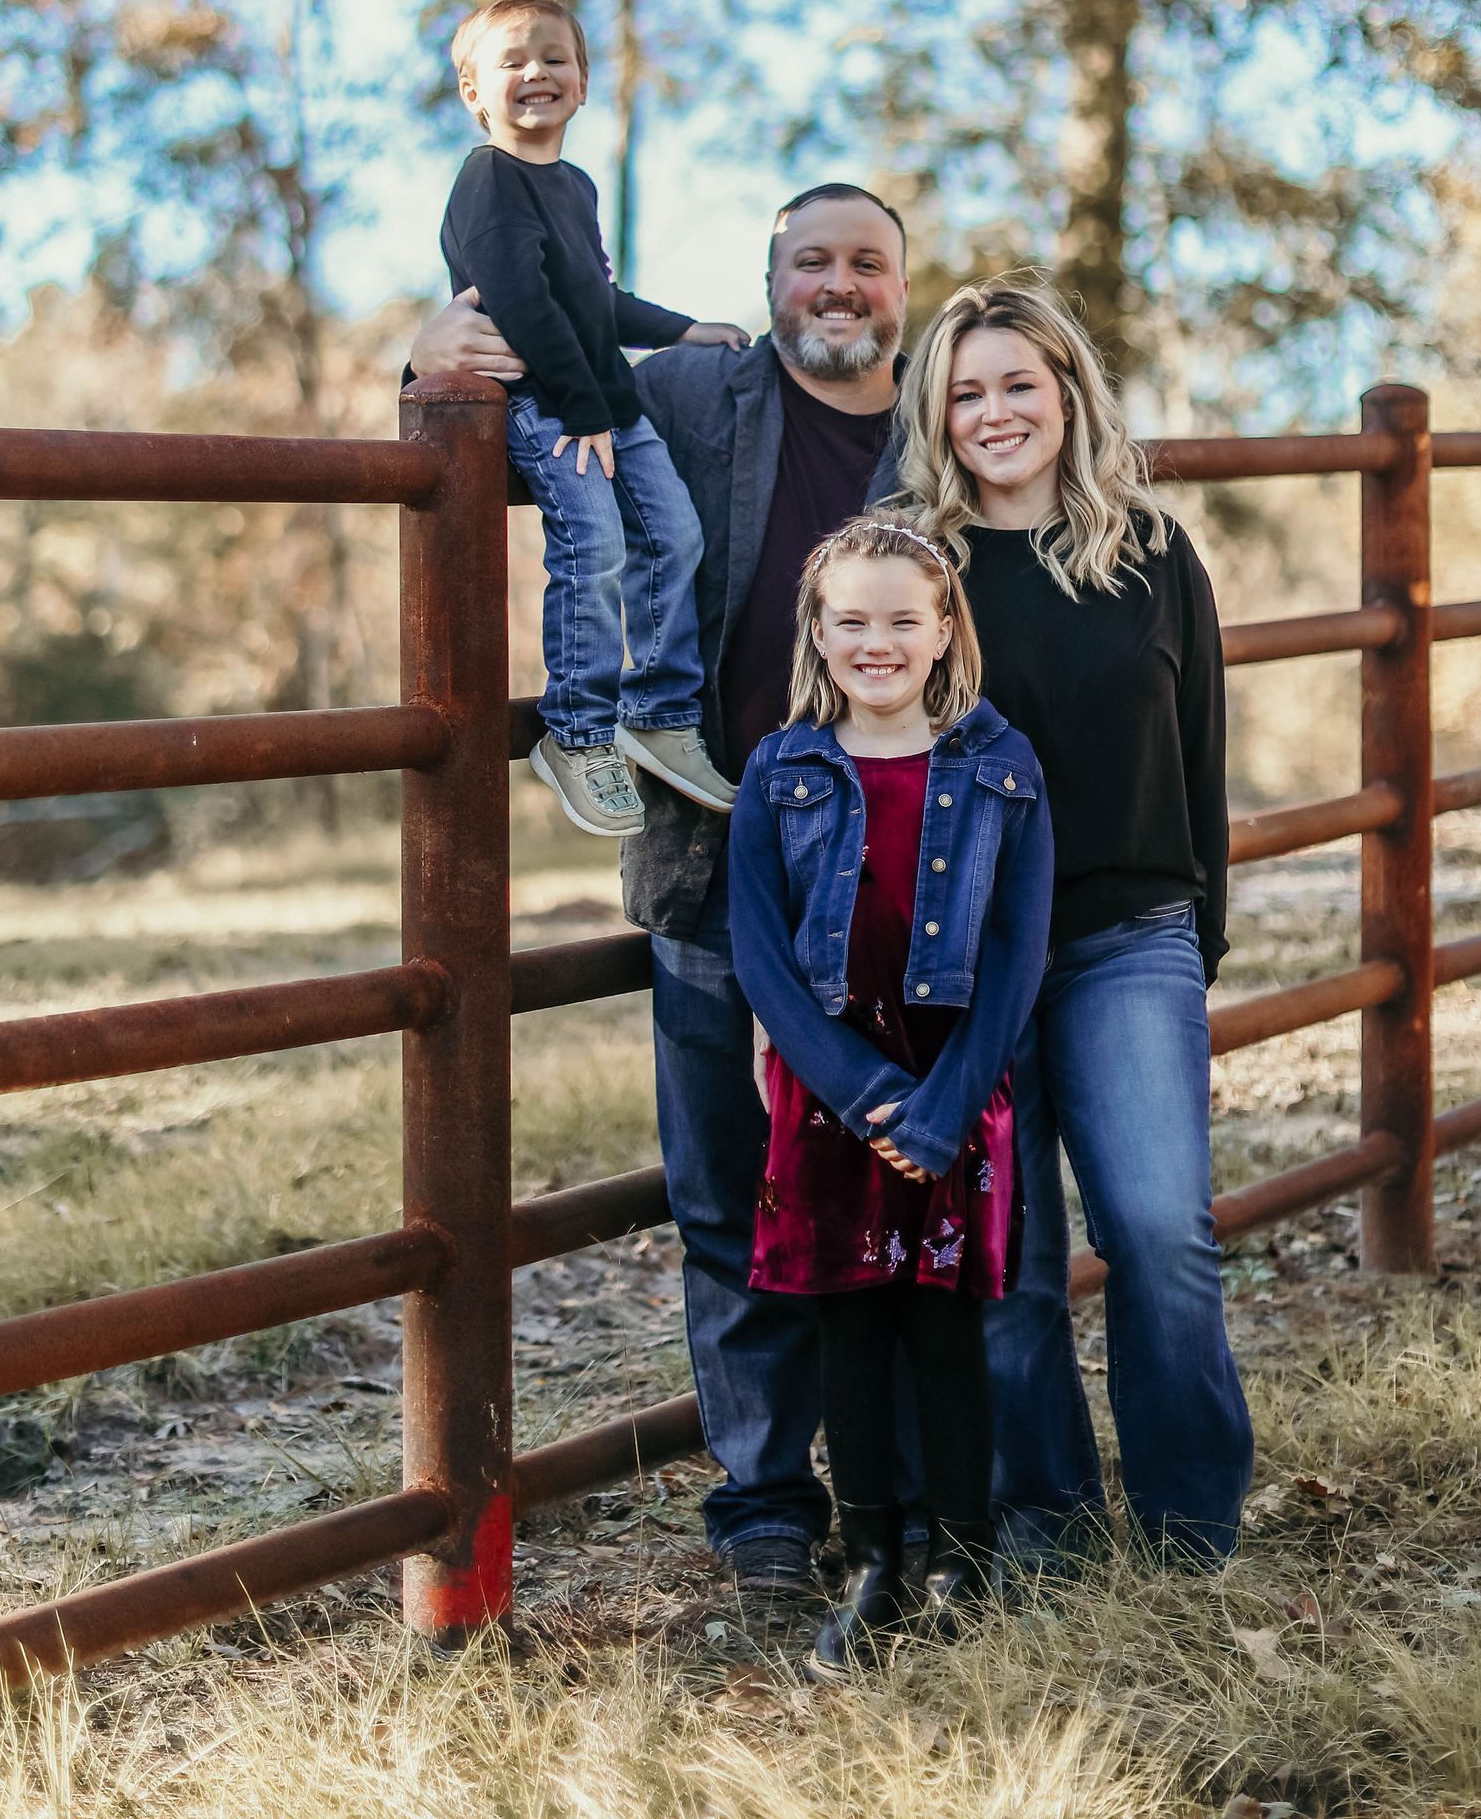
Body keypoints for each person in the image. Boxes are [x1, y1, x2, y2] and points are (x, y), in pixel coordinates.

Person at [408, 179, 909, 1591]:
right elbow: (526, 442)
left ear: (901, 290)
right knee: (731, 1200)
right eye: (811, 261)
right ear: (771, 282)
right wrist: (429, 362)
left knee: (892, 1186)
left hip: (896, 882)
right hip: (712, 867)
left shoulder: (950, 423)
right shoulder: (695, 396)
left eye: (867, 263)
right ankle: (765, 1511)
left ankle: (903, 1499)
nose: (838, 286)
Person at [889, 277, 1256, 1566]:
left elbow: (1200, 746)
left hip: (1124, 936)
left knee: (1160, 1232)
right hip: (965, 955)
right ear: (935, 413)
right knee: (1007, 1264)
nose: (994, 413)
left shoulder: (1150, 552)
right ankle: (1042, 1522)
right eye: (966, 391)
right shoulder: (910, 565)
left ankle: (1190, 1527)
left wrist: (1197, 931)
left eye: (1017, 385)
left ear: (1067, 395)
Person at [728, 517, 1051, 1677]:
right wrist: (864, 1093)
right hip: (831, 1095)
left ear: (943, 628)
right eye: (851, 620)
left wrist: (944, 1105)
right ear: (817, 630)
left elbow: (1018, 953)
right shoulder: (783, 770)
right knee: (852, 1329)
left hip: (958, 1086)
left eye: (902, 620)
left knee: (947, 1328)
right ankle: (873, 1562)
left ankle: (959, 1558)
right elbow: (760, 953)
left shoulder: (1001, 765)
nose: (877, 641)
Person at [440, 0, 747, 838]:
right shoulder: (487, 180)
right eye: (512, 62)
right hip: (549, 406)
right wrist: (579, 407)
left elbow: (593, 300)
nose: (536, 72)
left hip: (610, 403)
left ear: (582, 83)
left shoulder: (573, 185)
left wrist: (684, 330)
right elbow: (521, 302)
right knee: (594, 544)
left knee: (677, 535)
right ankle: (574, 733)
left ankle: (658, 712)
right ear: (474, 89)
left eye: (554, 58)